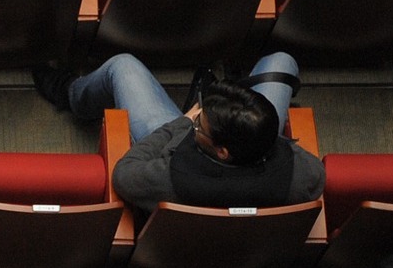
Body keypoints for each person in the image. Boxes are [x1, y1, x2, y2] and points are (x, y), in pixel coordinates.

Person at [34, 52, 323, 214]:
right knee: (283, 62)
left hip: (176, 145)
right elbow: (294, 155)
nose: (198, 121)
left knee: (122, 67)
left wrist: (184, 123)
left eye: (202, 125)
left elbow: (125, 173)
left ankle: (69, 93)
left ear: (223, 151)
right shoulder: (306, 177)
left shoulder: (168, 178)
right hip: (251, 229)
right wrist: (256, 125)